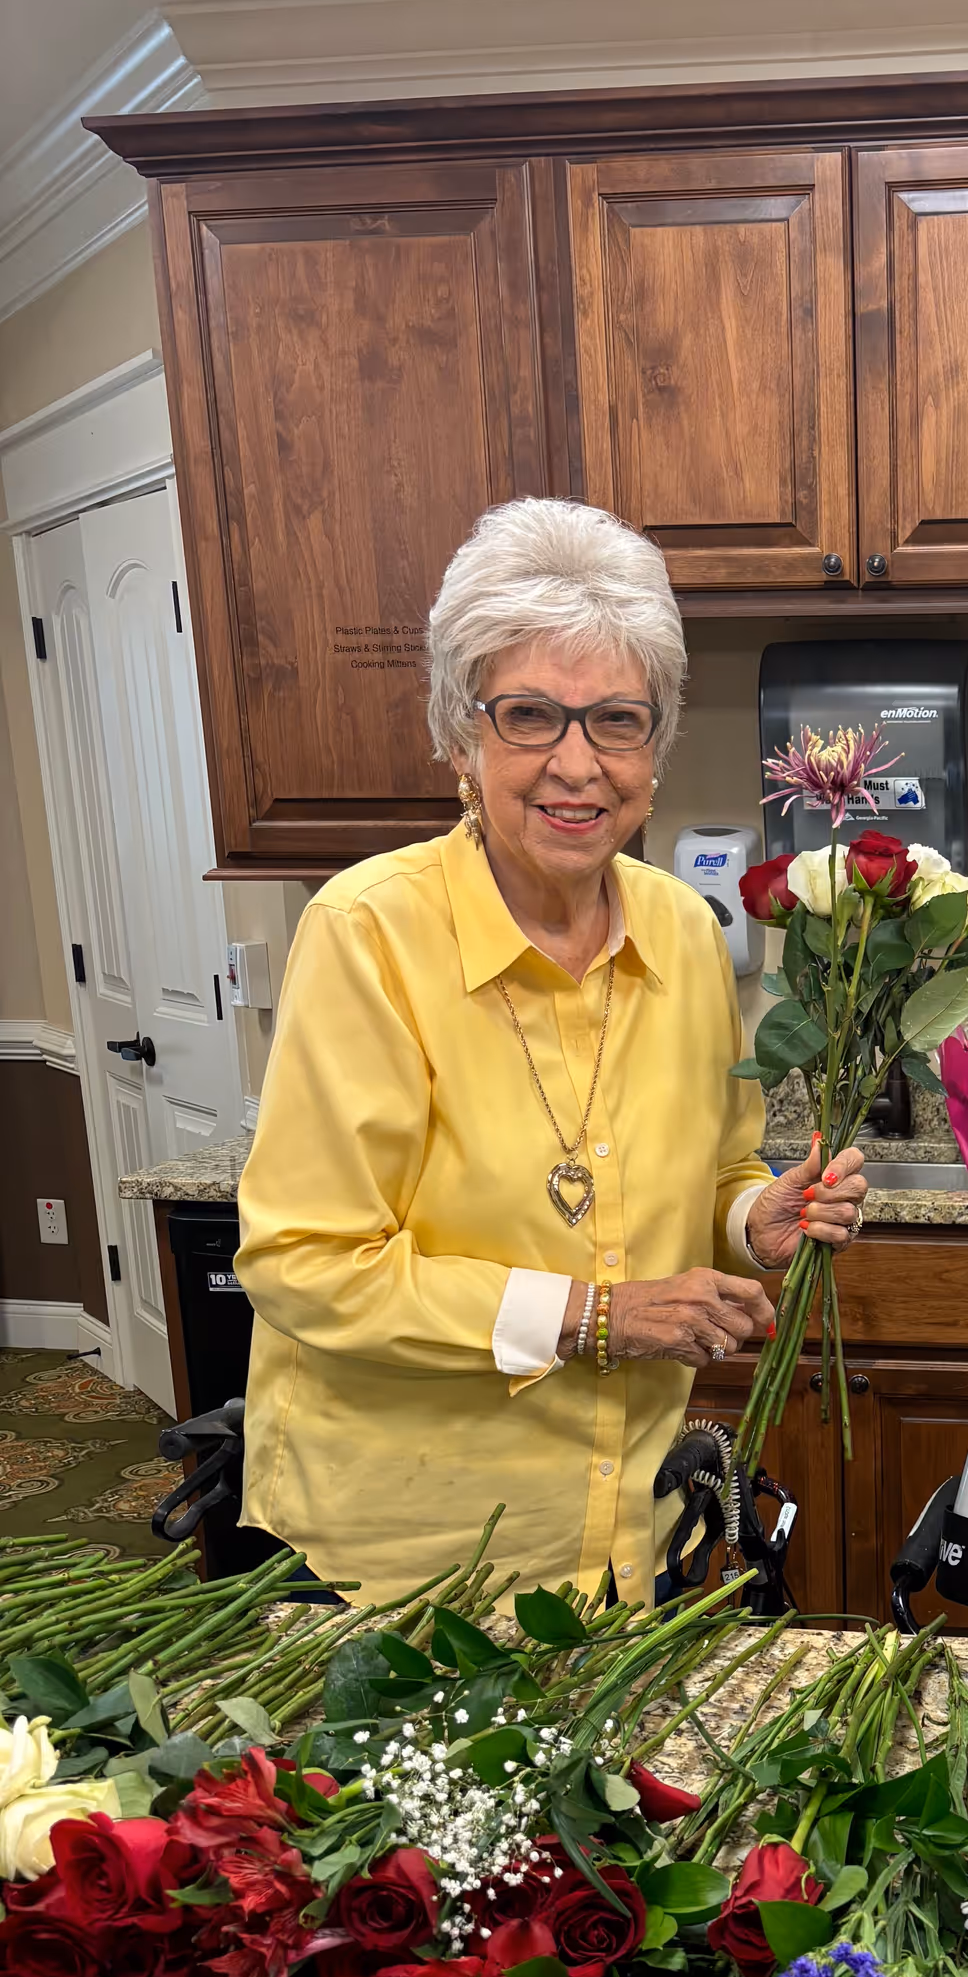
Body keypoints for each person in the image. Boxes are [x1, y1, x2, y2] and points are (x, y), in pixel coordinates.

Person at [235, 498, 866, 1598]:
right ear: (460, 738)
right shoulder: (367, 932)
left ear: (655, 749)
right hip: (411, 1558)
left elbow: (718, 1161)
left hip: (631, 1536)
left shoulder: (684, 929)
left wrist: (748, 1218)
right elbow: (305, 1263)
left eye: (617, 720)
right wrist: (590, 1316)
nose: (577, 764)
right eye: (530, 715)